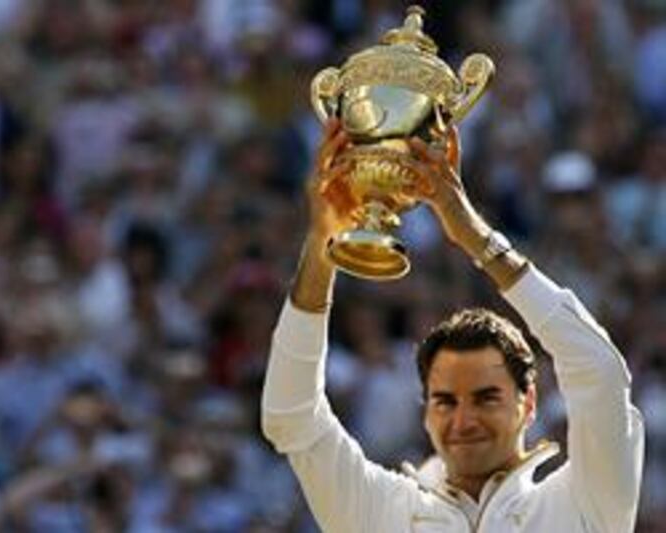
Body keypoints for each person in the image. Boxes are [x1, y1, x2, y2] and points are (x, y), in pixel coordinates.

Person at [261, 119, 644, 532]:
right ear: (425, 412)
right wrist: (323, 243)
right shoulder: (383, 512)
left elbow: (600, 372)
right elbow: (292, 415)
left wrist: (475, 236)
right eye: (446, 401)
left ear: (529, 403)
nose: (464, 421)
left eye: (486, 398)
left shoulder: (585, 502)